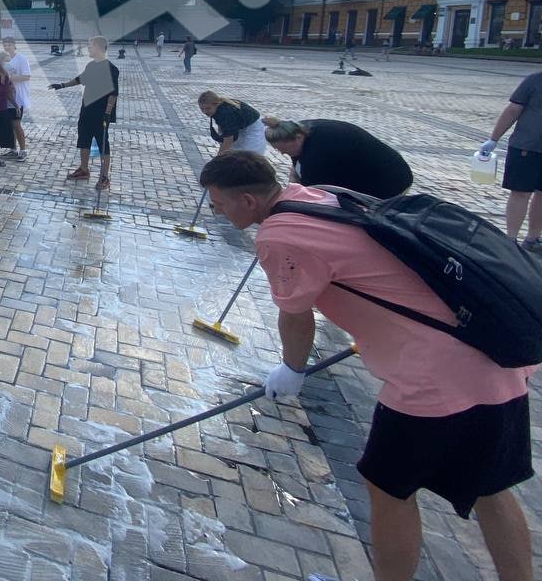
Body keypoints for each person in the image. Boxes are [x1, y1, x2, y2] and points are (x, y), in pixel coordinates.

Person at [199, 152, 535, 581]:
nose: (217, 212)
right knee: (490, 487)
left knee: (387, 486)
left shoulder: (279, 234)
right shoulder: (319, 196)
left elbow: (296, 316)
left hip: (434, 376)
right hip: (492, 356)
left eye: (219, 204)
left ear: (246, 200)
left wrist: (291, 369)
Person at [263, 117, 413, 198]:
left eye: (285, 150)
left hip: (391, 183)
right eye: (279, 151)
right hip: (388, 169)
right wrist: (293, 188)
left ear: (297, 137)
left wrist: (291, 195)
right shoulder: (299, 128)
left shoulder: (317, 155)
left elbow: (313, 196)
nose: (283, 154)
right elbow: (296, 171)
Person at [479, 68, 542, 247]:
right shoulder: (534, 81)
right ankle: (511, 240)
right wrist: (493, 139)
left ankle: (533, 238)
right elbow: (513, 110)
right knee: (521, 193)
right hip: (526, 147)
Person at [49, 36, 119, 190]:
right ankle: (84, 169)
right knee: (84, 140)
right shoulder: (91, 66)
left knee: (103, 144)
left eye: (90, 46)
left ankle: (104, 177)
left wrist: (108, 113)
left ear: (99, 48)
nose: (88, 48)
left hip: (101, 113)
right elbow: (80, 79)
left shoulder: (111, 69)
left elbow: (113, 94)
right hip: (87, 110)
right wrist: (61, 85)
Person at [198, 90, 264, 154]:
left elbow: (228, 140)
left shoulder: (225, 113)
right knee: (234, 155)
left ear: (216, 104)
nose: (204, 112)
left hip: (253, 127)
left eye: (208, 108)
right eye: (202, 109)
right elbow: (223, 133)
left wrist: (217, 160)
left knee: (251, 157)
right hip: (240, 127)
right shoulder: (217, 109)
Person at [2, 37, 31, 161]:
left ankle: (23, 150)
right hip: (7, 97)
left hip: (18, 97)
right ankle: (13, 149)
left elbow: (27, 76)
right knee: (9, 125)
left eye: (9, 45)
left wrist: (11, 78)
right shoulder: (4, 60)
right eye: (5, 45)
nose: (7, 47)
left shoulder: (22, 59)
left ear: (14, 45)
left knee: (16, 124)